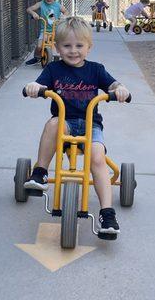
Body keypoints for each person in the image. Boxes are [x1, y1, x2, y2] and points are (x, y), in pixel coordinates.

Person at [24, 16, 130, 234]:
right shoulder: (54, 69)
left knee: (98, 159)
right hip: (65, 124)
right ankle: (40, 172)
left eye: (79, 46)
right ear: (57, 48)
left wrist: (120, 89)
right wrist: (34, 86)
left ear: (89, 47)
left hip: (91, 125)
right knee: (53, 123)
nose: (73, 51)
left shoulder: (96, 70)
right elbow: (39, 83)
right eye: (67, 46)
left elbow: (114, 83)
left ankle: (107, 213)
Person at [25, 0, 68, 65]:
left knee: (60, 45)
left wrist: (63, 17)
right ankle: (37, 57)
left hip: (56, 30)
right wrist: (34, 13)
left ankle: (61, 58)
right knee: (39, 46)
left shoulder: (58, 5)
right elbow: (29, 9)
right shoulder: (41, 4)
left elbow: (66, 11)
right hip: (44, 30)